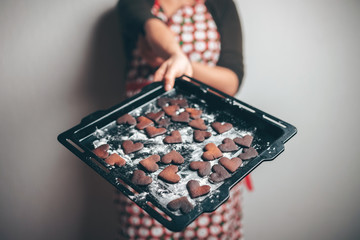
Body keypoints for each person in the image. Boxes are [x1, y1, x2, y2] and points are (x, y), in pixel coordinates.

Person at [115, 0, 251, 239]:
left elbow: (231, 81)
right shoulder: (134, 2)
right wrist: (175, 55)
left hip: (210, 145)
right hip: (144, 141)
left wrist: (183, 66)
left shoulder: (221, 4)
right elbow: (151, 26)